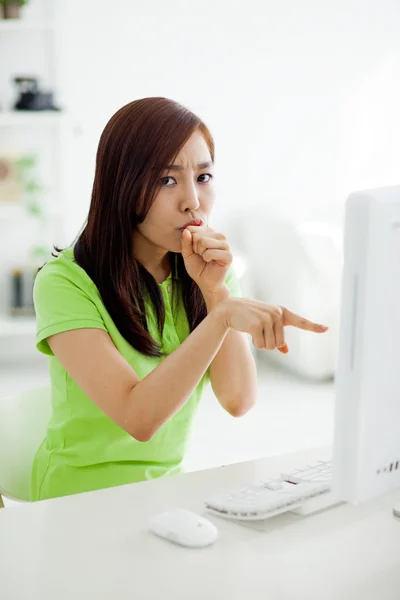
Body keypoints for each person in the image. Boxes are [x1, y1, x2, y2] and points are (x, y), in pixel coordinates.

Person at [31, 97, 328, 501]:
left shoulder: (208, 270)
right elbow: (138, 419)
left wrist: (215, 291)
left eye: (203, 177)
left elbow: (238, 400)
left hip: (169, 488)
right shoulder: (64, 281)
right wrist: (221, 317)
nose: (193, 201)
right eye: (166, 180)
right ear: (123, 185)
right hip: (79, 496)